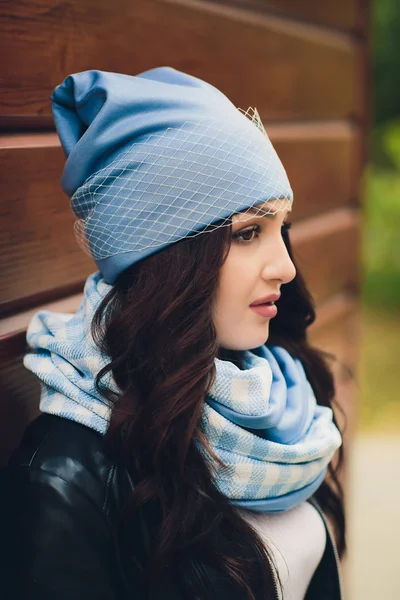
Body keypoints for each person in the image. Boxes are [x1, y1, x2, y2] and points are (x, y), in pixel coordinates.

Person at [2, 67, 345, 600]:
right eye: (248, 233)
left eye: (283, 228)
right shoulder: (66, 476)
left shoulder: (283, 399)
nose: (286, 267)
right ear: (166, 257)